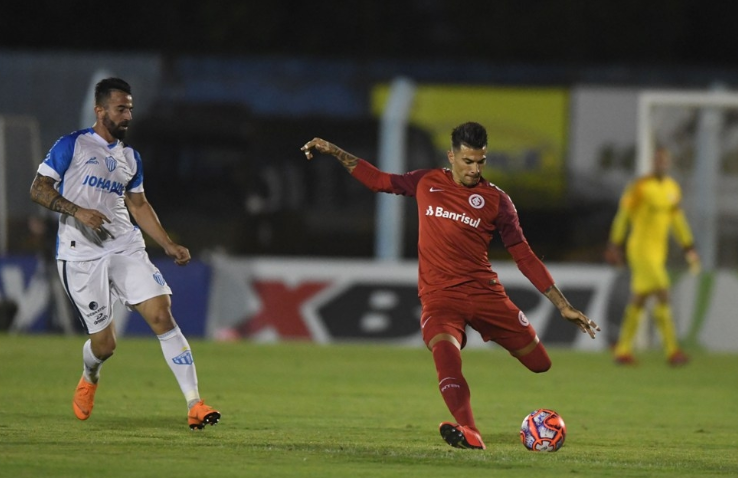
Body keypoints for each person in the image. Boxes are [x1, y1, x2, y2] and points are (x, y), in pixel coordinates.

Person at [301, 122, 599, 450]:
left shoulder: (497, 201)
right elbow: (379, 181)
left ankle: (484, 409)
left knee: (540, 363)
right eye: (468, 161)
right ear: (451, 156)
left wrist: (563, 305)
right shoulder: (426, 181)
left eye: (481, 162)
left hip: (485, 295)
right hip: (440, 299)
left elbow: (524, 256)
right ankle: (470, 431)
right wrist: (334, 151)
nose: (474, 169)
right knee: (445, 354)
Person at [29, 77, 221, 430]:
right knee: (104, 345)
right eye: (121, 109)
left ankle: (195, 403)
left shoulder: (130, 157)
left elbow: (138, 204)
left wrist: (167, 244)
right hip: (80, 254)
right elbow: (38, 188)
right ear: (100, 110)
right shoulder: (72, 145)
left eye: (130, 108)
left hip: (124, 246)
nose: (128, 115)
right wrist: (77, 211)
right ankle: (90, 374)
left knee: (162, 315)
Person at [605, 146, 699, 366]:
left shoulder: (672, 188)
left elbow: (677, 221)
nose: (660, 163)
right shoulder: (640, 186)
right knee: (663, 292)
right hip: (640, 249)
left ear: (668, 163)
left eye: (663, 160)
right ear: (652, 162)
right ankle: (673, 351)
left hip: (658, 252)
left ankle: (622, 350)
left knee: (640, 297)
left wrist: (688, 246)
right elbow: (623, 216)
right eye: (657, 160)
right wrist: (615, 243)